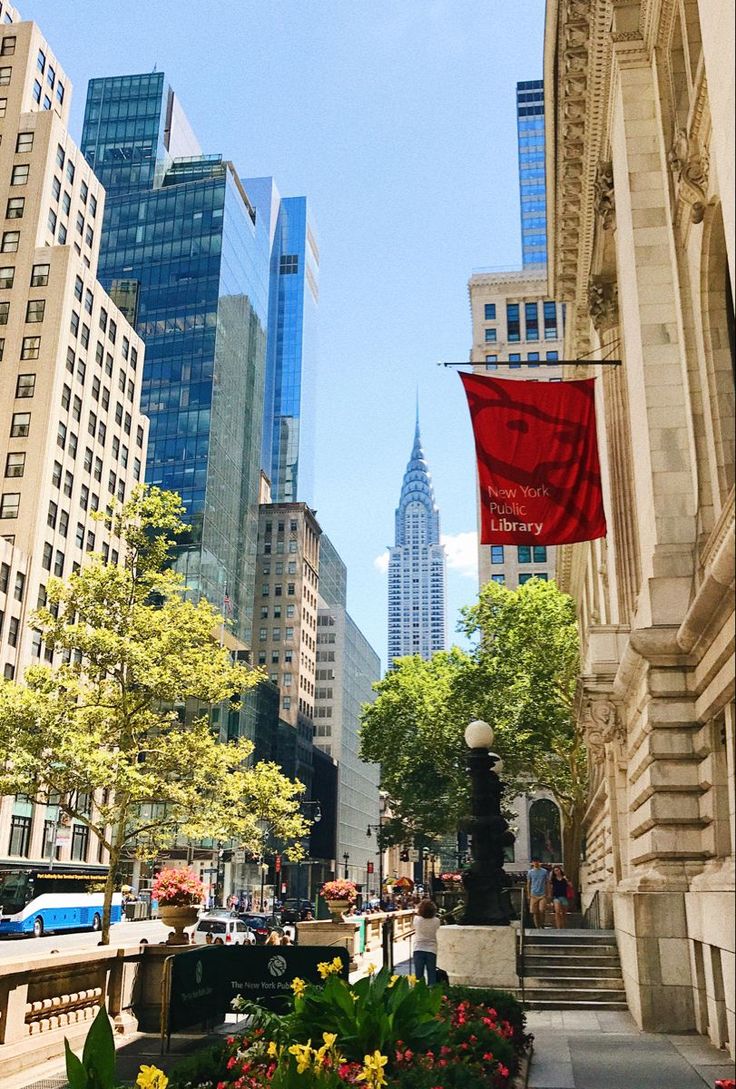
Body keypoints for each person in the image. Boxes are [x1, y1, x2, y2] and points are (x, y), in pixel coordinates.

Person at [413, 899, 441, 985]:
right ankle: (431, 991)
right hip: (432, 948)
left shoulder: (417, 919)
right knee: (431, 972)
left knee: (419, 974)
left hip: (418, 947)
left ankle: (419, 990)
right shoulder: (436, 920)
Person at [526, 858, 548, 928]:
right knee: (535, 912)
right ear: (532, 863)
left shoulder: (544, 871)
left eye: (537, 861)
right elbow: (529, 883)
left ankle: (542, 923)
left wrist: (548, 892)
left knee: (542, 910)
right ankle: (537, 926)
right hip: (533, 894)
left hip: (542, 894)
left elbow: (547, 882)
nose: (536, 863)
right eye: (534, 862)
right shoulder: (530, 872)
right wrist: (528, 894)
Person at [548, 865, 570, 929]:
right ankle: (558, 928)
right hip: (556, 897)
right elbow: (550, 887)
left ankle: (563, 926)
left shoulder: (564, 878)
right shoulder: (553, 879)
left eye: (557, 870)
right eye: (555, 871)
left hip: (564, 897)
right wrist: (550, 895)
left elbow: (571, 886)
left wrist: (566, 880)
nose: (556, 872)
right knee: (557, 912)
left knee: (563, 914)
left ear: (560, 870)